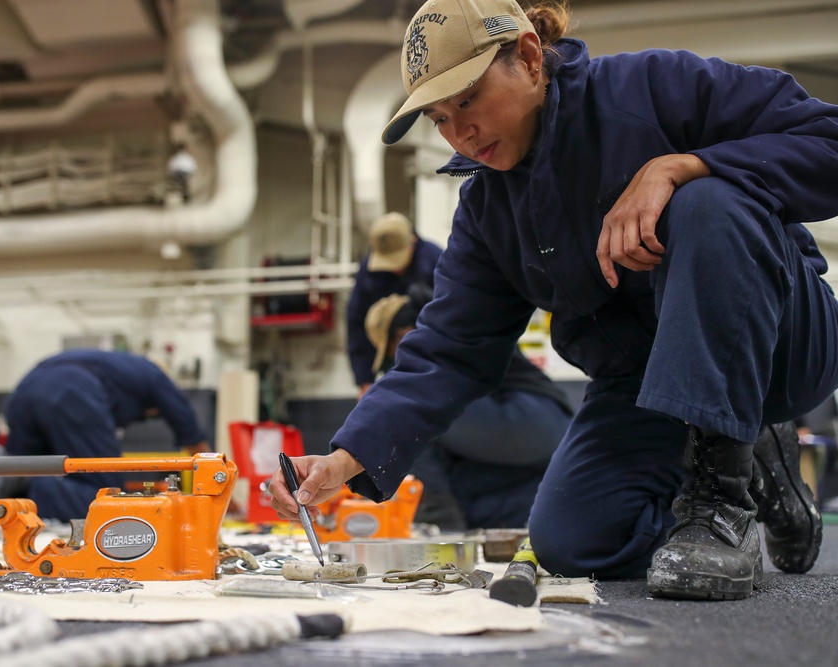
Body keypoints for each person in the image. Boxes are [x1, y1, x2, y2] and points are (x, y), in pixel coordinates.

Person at [269, 0, 838, 601]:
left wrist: (682, 166)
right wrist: (345, 459)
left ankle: (722, 498)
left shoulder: (653, 88)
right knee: (573, 544)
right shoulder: (488, 211)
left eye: (466, 100)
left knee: (707, 202)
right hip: (642, 385)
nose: (457, 132)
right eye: (438, 117)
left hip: (783, 345)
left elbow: (828, 139)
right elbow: (449, 350)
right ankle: (749, 471)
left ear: (529, 57)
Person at [366, 287, 572, 529]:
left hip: (528, 418)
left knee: (408, 414)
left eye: (392, 351)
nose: (397, 359)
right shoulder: (456, 318)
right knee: (465, 485)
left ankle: (444, 524)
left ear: (402, 335)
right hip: (553, 424)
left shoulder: (440, 332)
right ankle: (459, 518)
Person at [0, 349, 209, 522]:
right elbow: (193, 436)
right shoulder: (157, 376)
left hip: (25, 389)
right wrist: (216, 489)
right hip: (73, 391)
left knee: (21, 467)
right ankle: (25, 489)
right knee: (110, 499)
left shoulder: (116, 368)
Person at [346, 212, 443, 398]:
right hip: (393, 359)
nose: (394, 267)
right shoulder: (368, 274)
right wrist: (364, 379)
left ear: (413, 241)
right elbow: (356, 324)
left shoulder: (436, 261)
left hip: (438, 355)